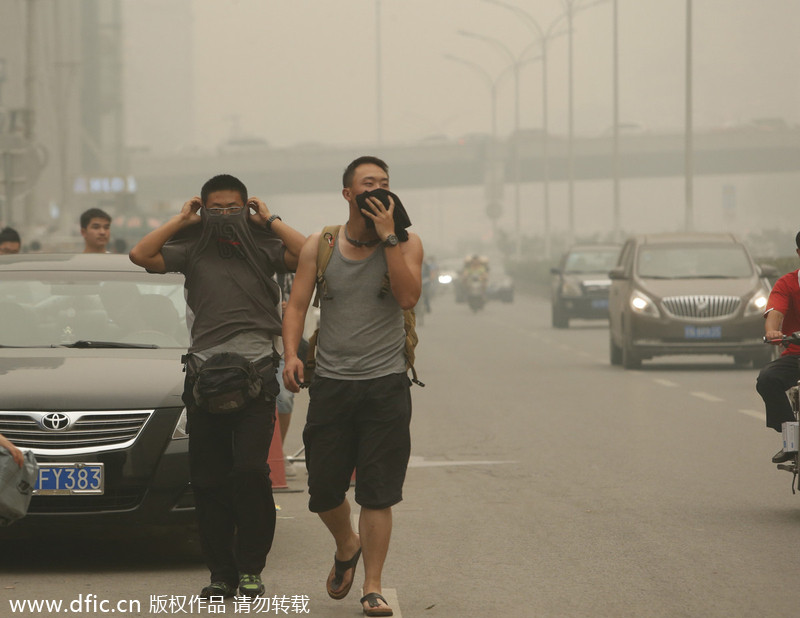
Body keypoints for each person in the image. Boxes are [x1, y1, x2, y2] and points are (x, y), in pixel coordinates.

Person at [129, 174, 305, 599]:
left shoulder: (264, 244)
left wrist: (271, 219)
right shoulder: (191, 246)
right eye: (216, 207)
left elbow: (307, 255)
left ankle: (250, 569)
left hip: (257, 372)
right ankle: (220, 573)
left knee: (249, 471)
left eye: (233, 207)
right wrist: (181, 219)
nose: (225, 215)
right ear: (203, 208)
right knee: (207, 479)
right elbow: (140, 254)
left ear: (247, 207)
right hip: (205, 375)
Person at [282, 156, 423, 617]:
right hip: (332, 384)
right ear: (348, 195)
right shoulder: (320, 245)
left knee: (378, 492)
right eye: (368, 184)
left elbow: (406, 296)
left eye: (384, 183)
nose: (377, 191)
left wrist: (389, 239)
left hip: (385, 386)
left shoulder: (407, 243)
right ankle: (347, 542)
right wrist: (290, 355)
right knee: (324, 490)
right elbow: (297, 304)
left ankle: (373, 586)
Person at [757, 230, 800, 463]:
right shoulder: (787, 283)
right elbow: (775, 313)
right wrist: (773, 331)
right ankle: (791, 438)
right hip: (796, 354)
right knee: (767, 379)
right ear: (798, 253)